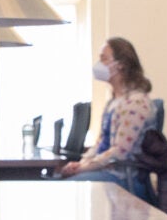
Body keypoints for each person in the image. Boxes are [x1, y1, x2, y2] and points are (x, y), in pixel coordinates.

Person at [59, 36, 158, 201]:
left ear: (121, 65)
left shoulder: (136, 103)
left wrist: (84, 168)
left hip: (124, 179)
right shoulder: (114, 102)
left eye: (104, 59)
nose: (99, 64)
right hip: (108, 174)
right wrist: (82, 163)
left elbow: (119, 152)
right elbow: (101, 143)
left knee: (70, 192)